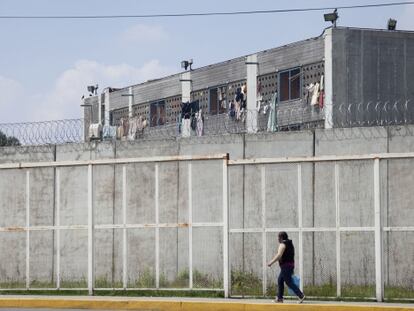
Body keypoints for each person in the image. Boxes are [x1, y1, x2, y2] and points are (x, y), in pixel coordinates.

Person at [267, 231, 305, 303]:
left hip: (286, 266)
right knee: (280, 280)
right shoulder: (290, 244)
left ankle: (301, 295)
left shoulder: (283, 244)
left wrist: (271, 262)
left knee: (288, 282)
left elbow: (279, 255)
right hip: (289, 265)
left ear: (281, 237)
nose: (277, 239)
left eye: (278, 237)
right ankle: (280, 298)